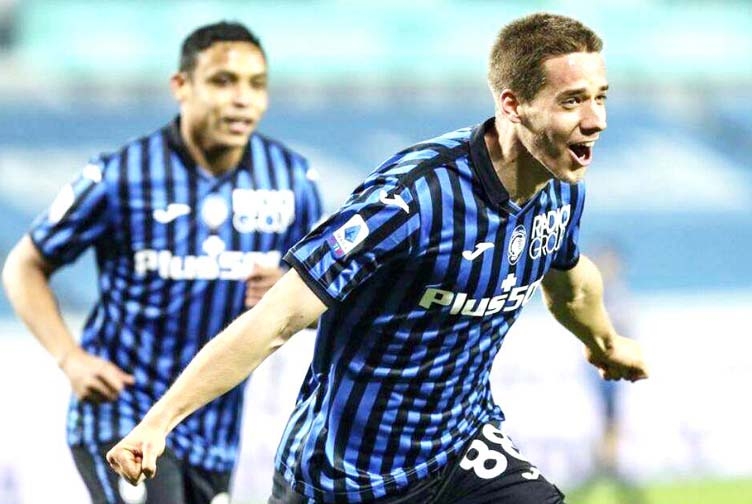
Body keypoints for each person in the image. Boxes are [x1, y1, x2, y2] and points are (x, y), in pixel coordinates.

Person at [106, 12, 649, 504]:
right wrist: (158, 424)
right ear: (512, 104)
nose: (596, 119)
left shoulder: (561, 186)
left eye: (601, 96)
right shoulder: (412, 199)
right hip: (345, 476)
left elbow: (571, 282)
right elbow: (276, 319)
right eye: (572, 100)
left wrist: (605, 343)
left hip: (461, 446)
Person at [2, 21, 322, 504]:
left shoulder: (292, 179)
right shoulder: (121, 176)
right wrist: (71, 359)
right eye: (222, 81)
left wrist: (288, 288)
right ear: (181, 86)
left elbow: (324, 292)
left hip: (214, 428)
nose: (242, 99)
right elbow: (25, 265)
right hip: (123, 413)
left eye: (256, 84)